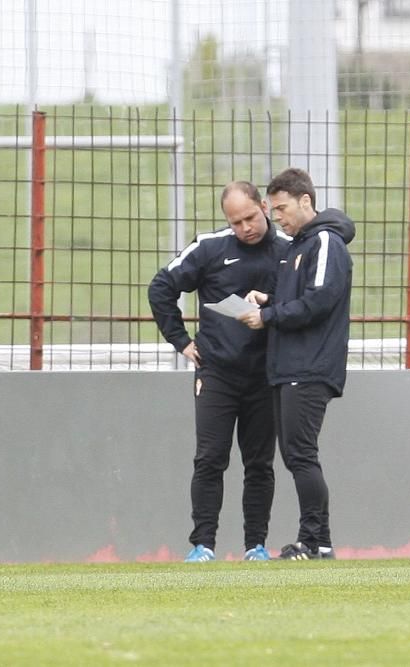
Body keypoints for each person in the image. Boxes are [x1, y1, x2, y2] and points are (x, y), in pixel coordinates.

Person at [149, 181, 289, 563]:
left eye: (250, 217)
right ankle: (202, 544)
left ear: (264, 206)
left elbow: (304, 303)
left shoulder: (289, 249)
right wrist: (180, 341)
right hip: (217, 373)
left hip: (265, 375)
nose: (245, 227)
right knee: (210, 458)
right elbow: (161, 287)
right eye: (235, 221)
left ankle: (255, 545)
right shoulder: (210, 247)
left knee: (259, 464)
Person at [237, 168, 354, 561]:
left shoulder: (324, 241)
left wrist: (267, 318)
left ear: (306, 201)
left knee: (301, 454)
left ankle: (312, 540)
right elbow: (300, 299)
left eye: (282, 208)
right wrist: (269, 302)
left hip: (309, 367)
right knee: (296, 454)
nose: (278, 217)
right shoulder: (298, 246)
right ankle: (319, 542)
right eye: (273, 209)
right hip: (288, 367)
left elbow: (320, 301)